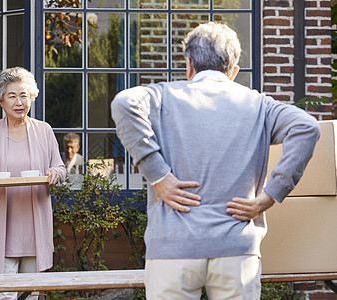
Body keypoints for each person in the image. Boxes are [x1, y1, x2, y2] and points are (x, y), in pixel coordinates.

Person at [111, 22, 320, 300]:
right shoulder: (259, 105)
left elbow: (123, 103)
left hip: (173, 250)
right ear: (233, 71)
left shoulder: (162, 96)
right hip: (236, 250)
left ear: (189, 65)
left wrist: (157, 175)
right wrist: (270, 195)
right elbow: (307, 127)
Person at [0, 67, 67, 300]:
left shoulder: (44, 130)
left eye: (24, 95)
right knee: (4, 295)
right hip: (2, 228)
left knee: (30, 294)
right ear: (1, 100)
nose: (19, 102)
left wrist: (54, 173)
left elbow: (60, 169)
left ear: (32, 97)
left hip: (34, 226)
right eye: (12, 96)